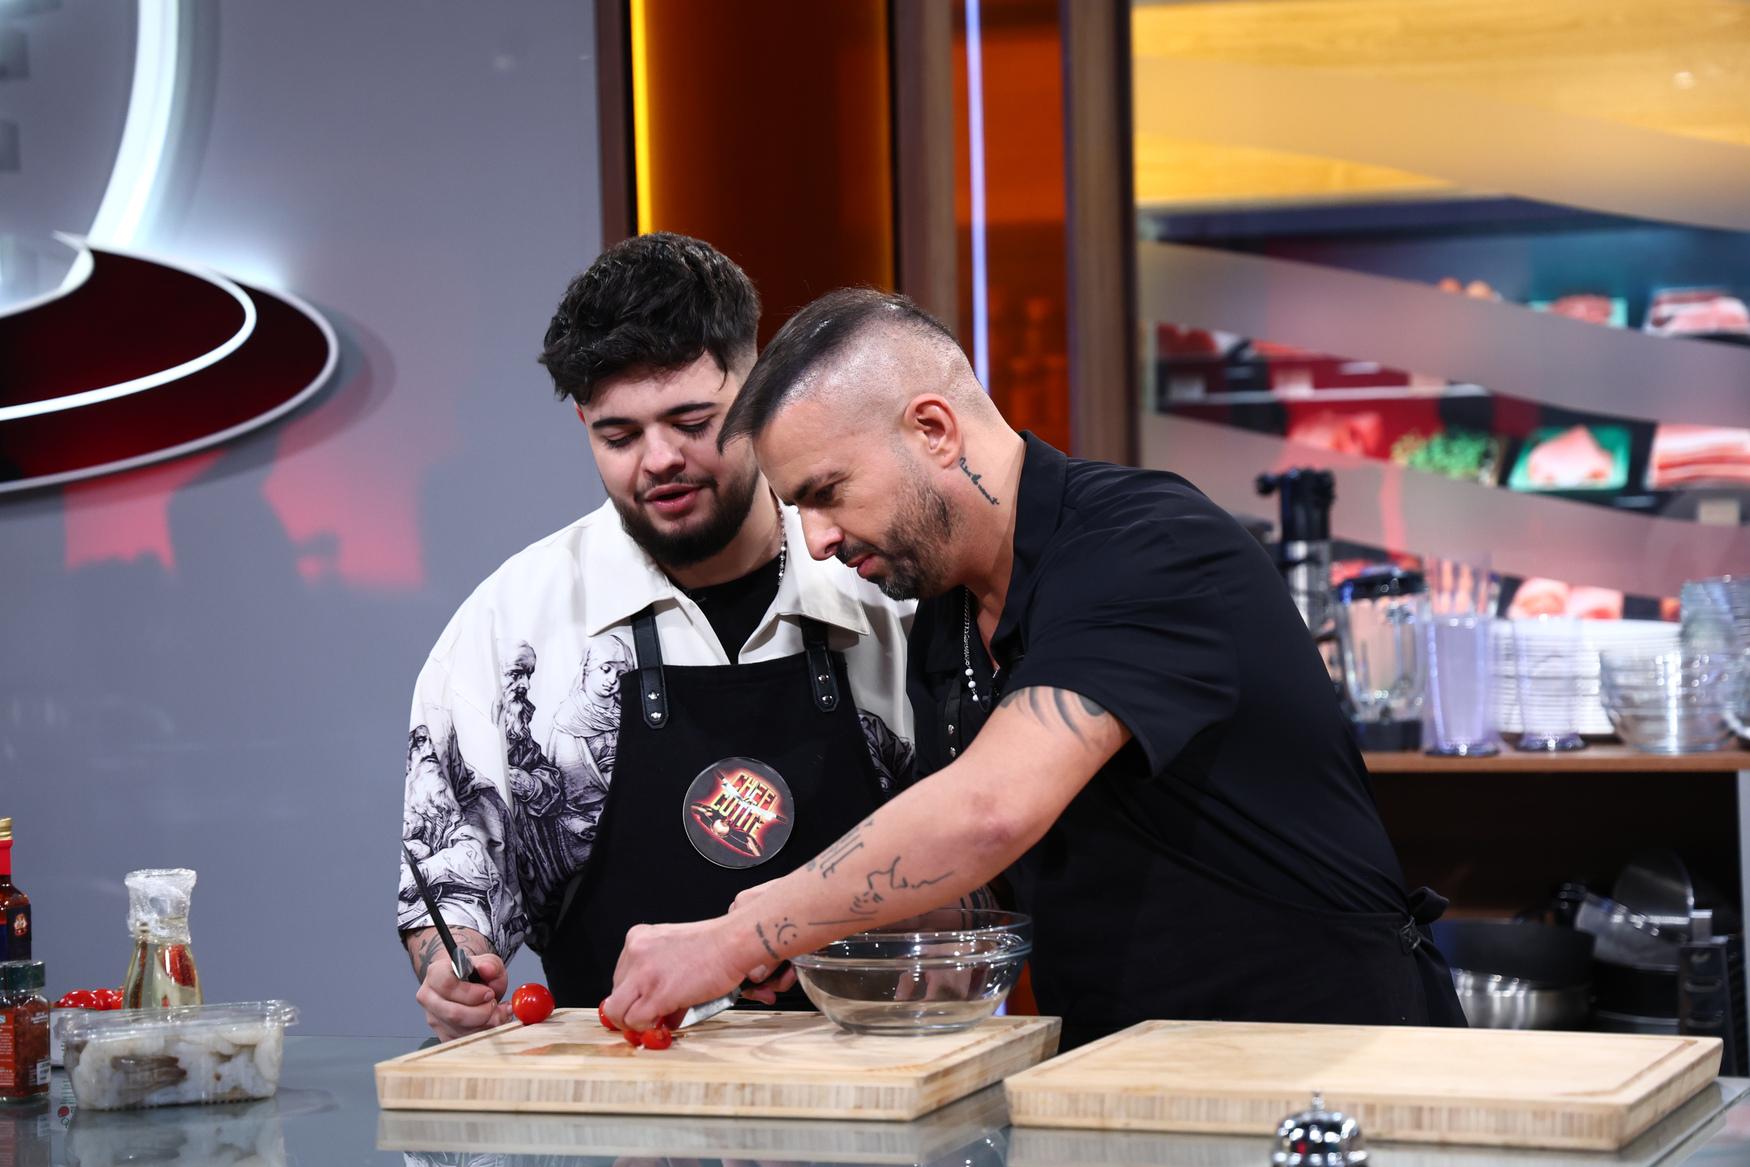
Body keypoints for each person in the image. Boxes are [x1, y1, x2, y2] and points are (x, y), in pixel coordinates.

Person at [600, 288, 1466, 1048]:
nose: (818, 540)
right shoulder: (944, 616)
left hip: (1325, 1062)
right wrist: (819, 930)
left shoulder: (1145, 545)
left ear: (933, 430)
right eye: (799, 509)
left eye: (827, 492)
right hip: (1124, 1077)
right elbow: (978, 885)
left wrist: (743, 933)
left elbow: (990, 810)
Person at [396, 238, 920, 1041]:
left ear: (758, 391)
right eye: (620, 436)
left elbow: (978, 871)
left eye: (693, 422)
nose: (661, 460)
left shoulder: (882, 589)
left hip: (879, 1079)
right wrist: (453, 968)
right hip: (621, 1092)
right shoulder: (512, 627)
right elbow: (453, 880)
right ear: (584, 423)